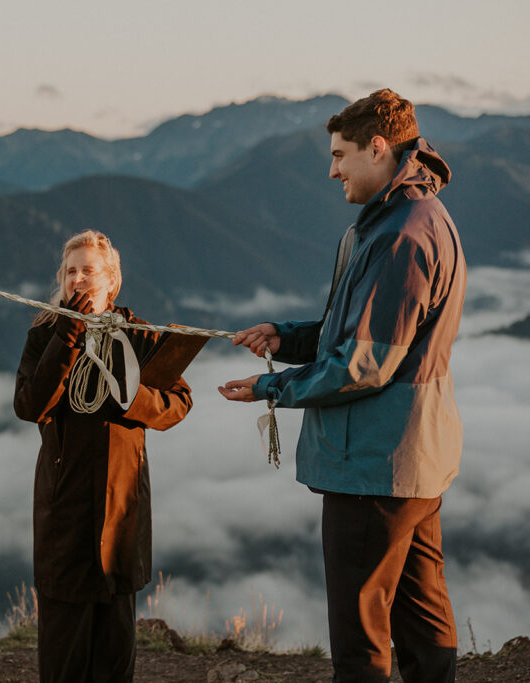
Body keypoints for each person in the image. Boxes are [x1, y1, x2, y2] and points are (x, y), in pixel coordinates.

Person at [218, 90, 465, 682]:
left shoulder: (403, 234)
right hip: (412, 463)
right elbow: (354, 335)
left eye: (339, 155)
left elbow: (366, 364)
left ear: (378, 148)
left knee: (360, 642)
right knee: (422, 625)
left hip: (372, 465)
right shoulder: (403, 219)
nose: (331, 171)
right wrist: (284, 336)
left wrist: (272, 390)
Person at [14, 230, 193, 682]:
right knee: (64, 661)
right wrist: (69, 335)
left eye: (88, 271)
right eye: (70, 271)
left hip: (122, 512)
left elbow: (177, 403)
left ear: (111, 281)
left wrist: (129, 399)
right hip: (65, 512)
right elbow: (29, 405)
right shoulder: (45, 335)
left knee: (114, 660)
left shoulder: (139, 335)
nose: (77, 279)